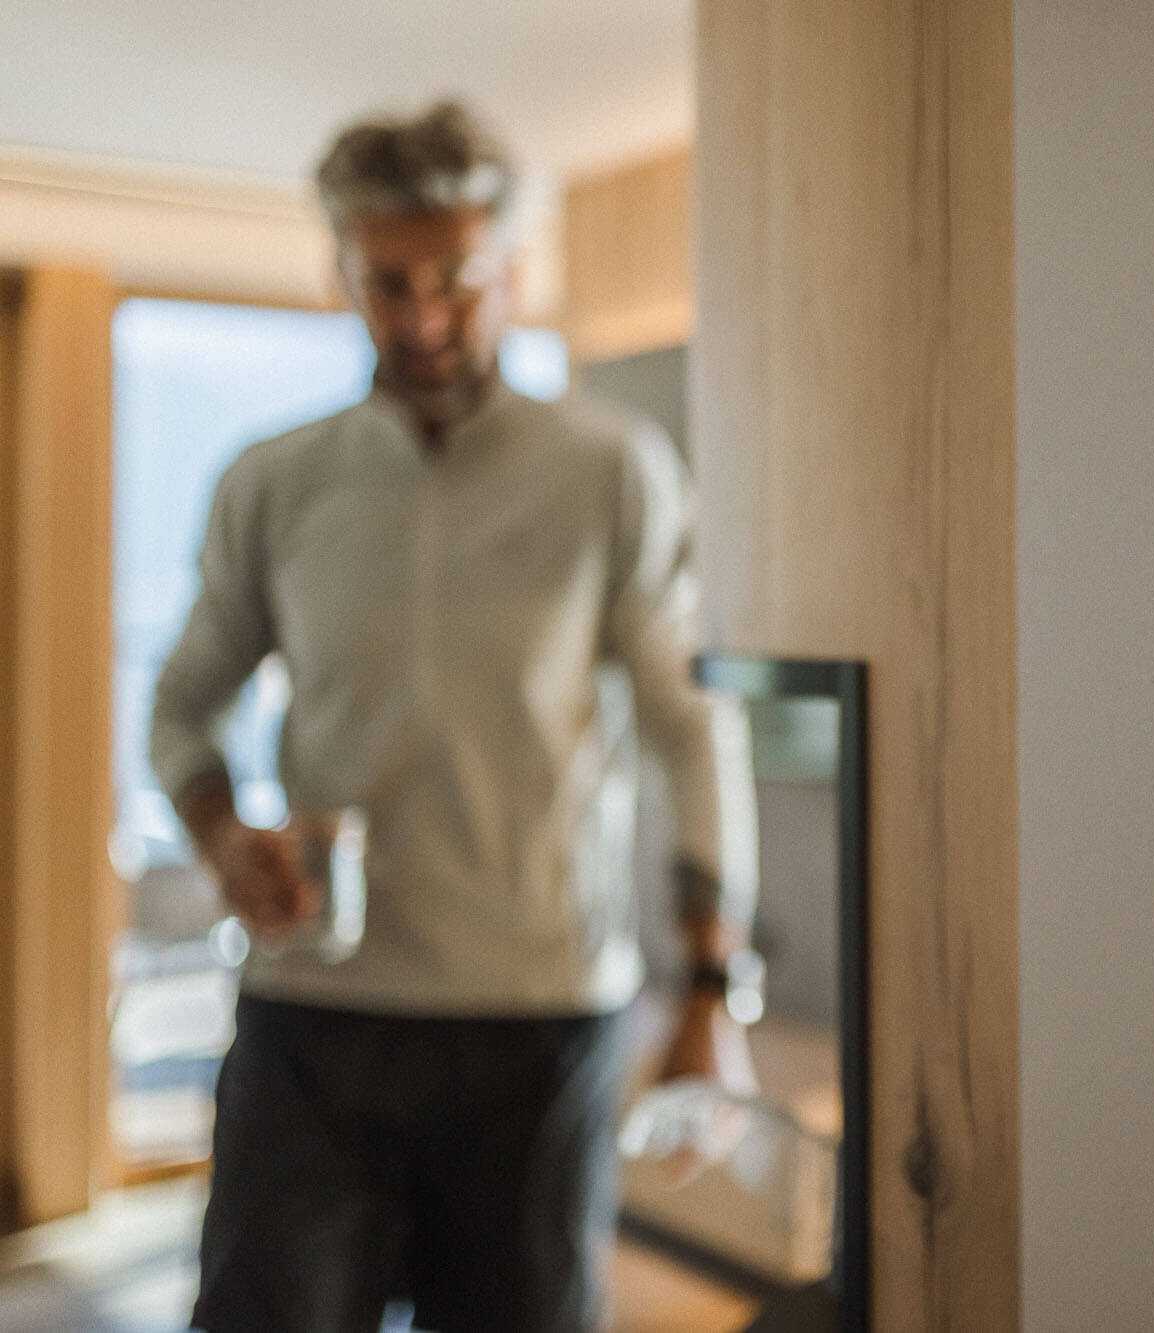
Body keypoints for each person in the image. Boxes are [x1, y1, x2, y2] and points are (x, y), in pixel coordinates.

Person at [150, 101, 758, 1332]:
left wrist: (707, 993)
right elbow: (181, 707)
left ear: (512, 272)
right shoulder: (276, 482)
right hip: (312, 1020)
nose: (422, 317)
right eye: (387, 282)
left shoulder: (610, 472)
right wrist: (222, 836)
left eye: (454, 280)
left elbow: (689, 731)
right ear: (344, 274)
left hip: (535, 1028)